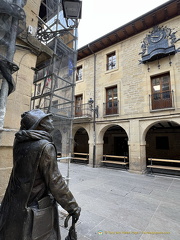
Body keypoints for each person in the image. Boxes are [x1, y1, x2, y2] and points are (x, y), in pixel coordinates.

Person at [0, 109, 81, 240]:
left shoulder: (19, 141)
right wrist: (72, 206)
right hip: (35, 207)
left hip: (15, 203)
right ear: (38, 124)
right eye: (46, 119)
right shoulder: (45, 146)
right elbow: (56, 182)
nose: (51, 120)